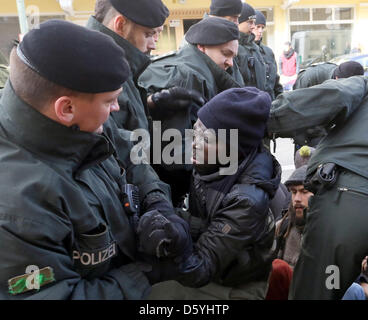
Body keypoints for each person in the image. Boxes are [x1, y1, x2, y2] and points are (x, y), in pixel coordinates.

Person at [0, 20, 191, 300]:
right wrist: (144, 274)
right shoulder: (17, 206)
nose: (116, 108)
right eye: (109, 101)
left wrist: (156, 203)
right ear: (66, 108)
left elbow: (129, 153)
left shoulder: (83, 121)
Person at [141, 87, 281, 300]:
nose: (194, 143)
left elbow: (199, 269)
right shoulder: (213, 161)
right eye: (195, 130)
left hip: (236, 284)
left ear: (232, 147)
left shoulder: (247, 199)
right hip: (217, 257)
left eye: (205, 139)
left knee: (146, 293)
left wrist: (171, 235)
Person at [268, 75, 368, 299]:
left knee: (314, 290)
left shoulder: (361, 86)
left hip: (352, 194)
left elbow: (330, 97)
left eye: (302, 191)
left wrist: (258, 119)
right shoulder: (283, 227)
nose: (297, 199)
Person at [139, 17, 244, 205]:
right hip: (167, 188)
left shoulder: (194, 69)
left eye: (233, 56)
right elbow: (176, 156)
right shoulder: (188, 75)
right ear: (202, 47)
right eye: (225, 54)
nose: (230, 63)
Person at [87, 0, 200, 133]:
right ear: (120, 25)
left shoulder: (111, 62)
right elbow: (109, 144)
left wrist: (152, 103)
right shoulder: (94, 68)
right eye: (148, 34)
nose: (153, 45)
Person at [292, 60, 365, 150]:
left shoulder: (356, 86)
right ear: (337, 78)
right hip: (307, 118)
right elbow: (297, 111)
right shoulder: (310, 78)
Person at [274, 165, 312, 269]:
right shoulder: (282, 228)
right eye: (294, 192)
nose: (297, 199)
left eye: (304, 192)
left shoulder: (333, 234)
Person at [253, 10, 283, 101]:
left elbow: (276, 82)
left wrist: (281, 101)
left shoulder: (268, 52)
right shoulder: (240, 51)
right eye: (257, 27)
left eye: (262, 27)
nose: (260, 31)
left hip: (271, 103)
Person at [236, 3, 267, 91]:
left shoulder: (255, 48)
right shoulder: (231, 49)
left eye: (254, 22)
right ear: (237, 22)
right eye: (250, 22)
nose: (253, 26)